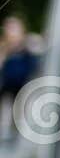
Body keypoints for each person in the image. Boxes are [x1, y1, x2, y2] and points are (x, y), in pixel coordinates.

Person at [0, 15, 40, 147]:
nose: (11, 31)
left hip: (20, 84)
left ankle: (12, 135)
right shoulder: (5, 46)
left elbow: (33, 63)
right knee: (5, 107)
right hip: (5, 83)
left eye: (14, 28)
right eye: (9, 28)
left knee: (16, 110)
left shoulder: (26, 46)